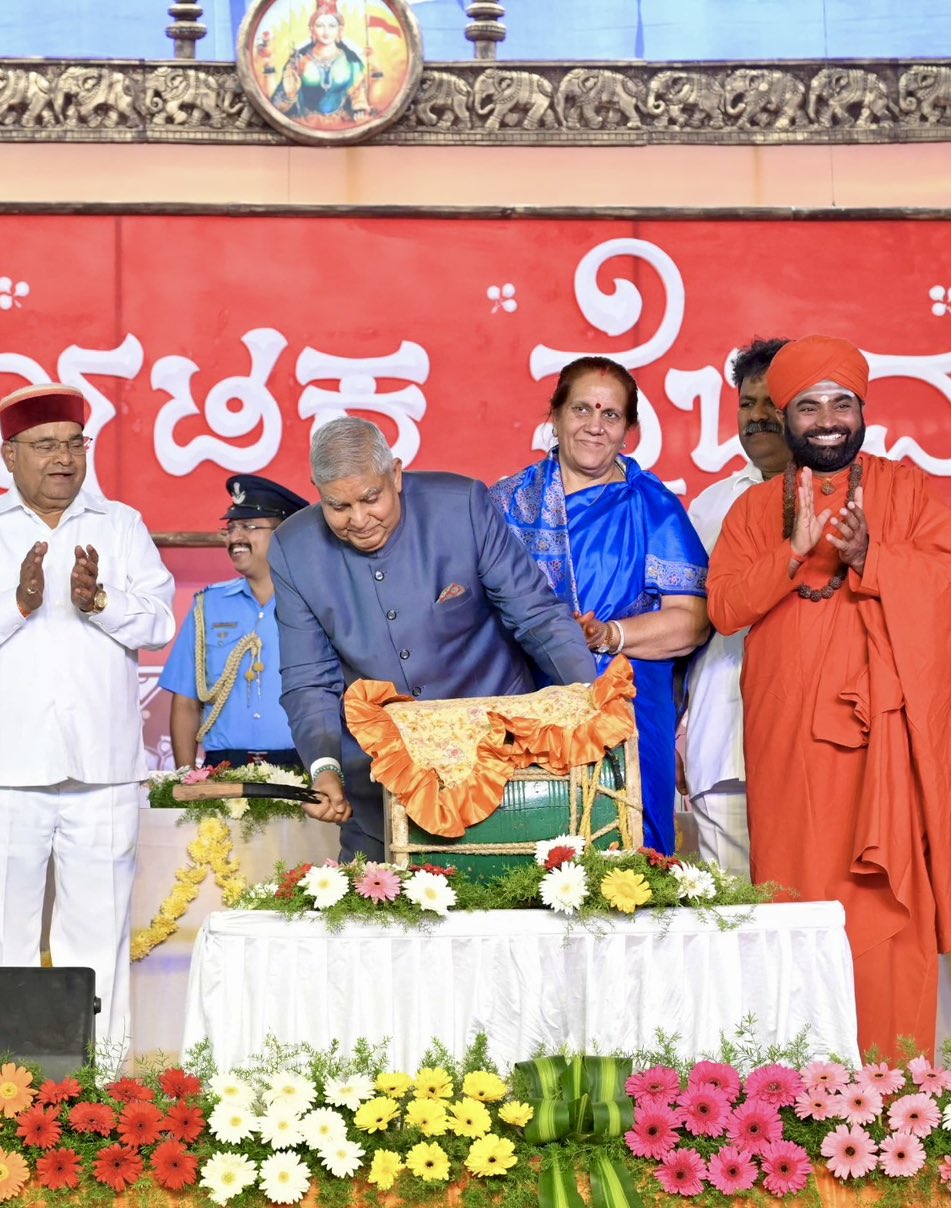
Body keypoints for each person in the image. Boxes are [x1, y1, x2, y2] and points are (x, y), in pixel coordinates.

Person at [705, 335, 951, 1061]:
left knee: (888, 911)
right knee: (798, 897)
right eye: (809, 406)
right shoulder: (756, 509)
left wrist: (870, 557)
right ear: (784, 418)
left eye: (841, 404)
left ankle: (895, 1082)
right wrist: (792, 552)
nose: (827, 420)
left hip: (885, 742)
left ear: (862, 412)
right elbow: (726, 608)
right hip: (790, 744)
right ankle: (803, 1083)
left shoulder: (908, 492)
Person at [0, 383, 176, 1056]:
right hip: (8, 768)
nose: (62, 459)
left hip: (105, 770)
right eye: (44, 446)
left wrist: (100, 600)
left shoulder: (119, 525)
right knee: (1, 937)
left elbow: (159, 619)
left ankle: (101, 1079)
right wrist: (18, 602)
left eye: (74, 444)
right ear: (9, 455)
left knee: (99, 939)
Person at [271, 417, 598, 861]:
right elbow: (309, 678)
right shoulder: (293, 549)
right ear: (317, 492)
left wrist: (590, 703)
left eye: (371, 498)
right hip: (381, 787)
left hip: (501, 771)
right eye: (339, 507)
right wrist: (325, 767)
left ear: (396, 474)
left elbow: (538, 616)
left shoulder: (461, 506)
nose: (360, 519)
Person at [490, 356, 710, 856]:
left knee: (631, 857)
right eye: (582, 409)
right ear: (555, 415)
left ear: (628, 430)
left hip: (626, 707)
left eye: (611, 415)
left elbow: (692, 623)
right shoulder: (504, 503)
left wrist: (609, 635)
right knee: (531, 859)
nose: (594, 425)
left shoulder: (651, 505)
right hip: (525, 706)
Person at [679, 336, 791, 878]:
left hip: (810, 744)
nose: (758, 417)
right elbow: (691, 624)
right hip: (723, 741)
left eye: (773, 402)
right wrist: (678, 726)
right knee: (732, 925)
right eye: (747, 404)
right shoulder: (712, 504)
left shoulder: (852, 496)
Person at [163, 474, 313, 770]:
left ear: (284, 533)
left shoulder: (317, 604)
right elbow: (186, 701)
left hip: (304, 767)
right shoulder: (208, 606)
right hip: (223, 769)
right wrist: (184, 779)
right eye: (230, 529)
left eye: (248, 527)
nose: (234, 538)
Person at [270, 0, 369, 121]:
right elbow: (275, 107)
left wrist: (360, 108)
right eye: (320, 25)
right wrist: (289, 95)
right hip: (304, 125)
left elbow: (359, 95)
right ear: (312, 29)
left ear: (340, 29)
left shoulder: (352, 61)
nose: (326, 31)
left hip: (342, 124)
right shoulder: (298, 61)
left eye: (332, 26)